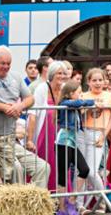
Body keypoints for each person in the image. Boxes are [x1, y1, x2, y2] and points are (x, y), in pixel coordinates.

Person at [0, 46, 49, 189]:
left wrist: (19, 107)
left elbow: (30, 99)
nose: (6, 67)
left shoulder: (16, 77)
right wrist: (4, 107)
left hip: (7, 135)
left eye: (9, 64)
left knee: (8, 174)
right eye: (3, 63)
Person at [55, 81, 94, 215]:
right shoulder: (65, 103)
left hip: (72, 142)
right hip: (63, 142)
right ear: (71, 93)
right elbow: (76, 103)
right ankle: (62, 208)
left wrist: (85, 103)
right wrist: (89, 101)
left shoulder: (75, 105)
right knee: (62, 175)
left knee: (84, 169)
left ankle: (72, 199)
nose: (81, 95)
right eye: (78, 92)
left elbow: (79, 104)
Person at [33, 60, 69, 192]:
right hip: (45, 134)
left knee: (61, 164)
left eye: (64, 73)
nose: (62, 76)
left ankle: (61, 199)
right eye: (59, 73)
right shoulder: (42, 88)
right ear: (52, 74)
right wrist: (31, 139)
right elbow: (33, 114)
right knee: (45, 164)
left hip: (61, 134)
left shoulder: (65, 88)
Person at [80, 68, 111, 205]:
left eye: (100, 80)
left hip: (99, 133)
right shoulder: (83, 95)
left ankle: (103, 202)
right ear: (88, 82)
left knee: (92, 172)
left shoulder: (110, 96)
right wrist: (89, 106)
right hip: (83, 133)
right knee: (81, 171)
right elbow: (80, 113)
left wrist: (103, 136)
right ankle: (80, 205)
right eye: (94, 80)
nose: (97, 83)